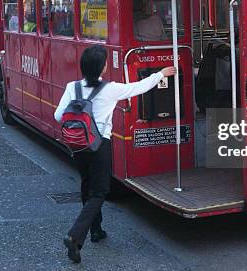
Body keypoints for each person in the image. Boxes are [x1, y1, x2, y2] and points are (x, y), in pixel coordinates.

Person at [54, 45, 176, 263]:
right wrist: (161, 74)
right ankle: (75, 235)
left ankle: (96, 230)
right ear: (102, 67)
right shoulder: (110, 89)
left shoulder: (72, 87)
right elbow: (138, 87)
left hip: (77, 145)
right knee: (100, 191)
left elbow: (58, 115)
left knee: (86, 183)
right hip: (99, 145)